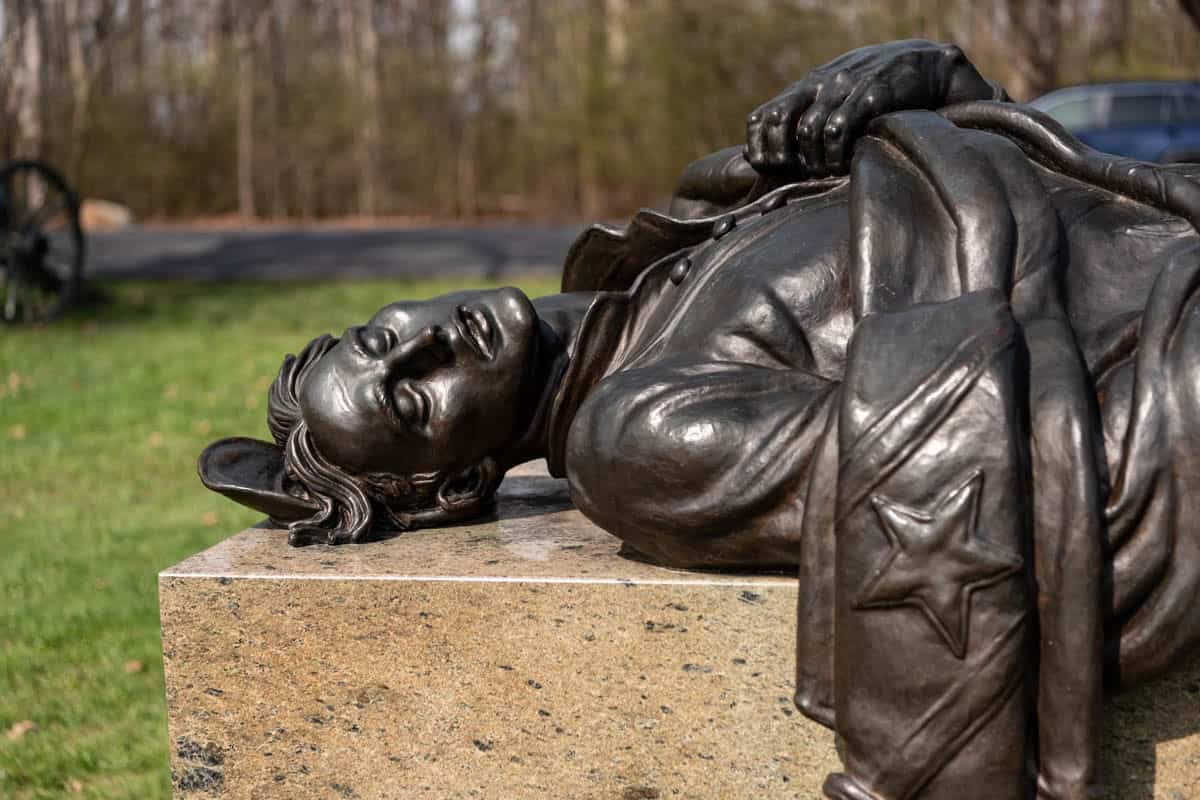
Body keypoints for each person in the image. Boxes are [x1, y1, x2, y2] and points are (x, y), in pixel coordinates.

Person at [201, 40, 1200, 800]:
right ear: (459, 482)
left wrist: (918, 75)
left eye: (383, 338)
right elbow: (954, 457)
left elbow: (1013, 155)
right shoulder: (634, 434)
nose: (424, 344)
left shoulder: (681, 225)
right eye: (412, 400)